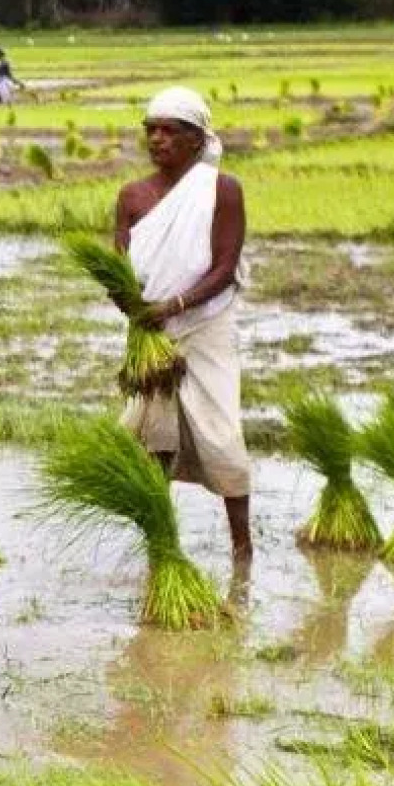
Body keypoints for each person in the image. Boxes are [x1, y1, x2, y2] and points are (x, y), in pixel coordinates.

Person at [114, 87, 252, 560]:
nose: (157, 139)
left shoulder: (222, 190)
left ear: (196, 139)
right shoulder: (132, 196)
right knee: (155, 436)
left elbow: (225, 267)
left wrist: (174, 305)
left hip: (206, 324)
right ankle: (161, 542)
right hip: (152, 331)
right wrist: (132, 307)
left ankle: (242, 548)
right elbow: (120, 271)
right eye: (150, 130)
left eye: (169, 131)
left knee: (222, 433)